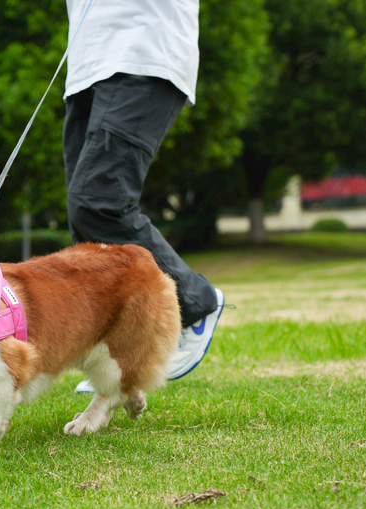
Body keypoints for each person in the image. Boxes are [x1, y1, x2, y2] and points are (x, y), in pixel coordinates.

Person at [63, 0, 224, 392]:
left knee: (98, 202)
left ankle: (194, 304)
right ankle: (119, 355)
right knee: (85, 218)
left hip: (144, 50)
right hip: (87, 64)